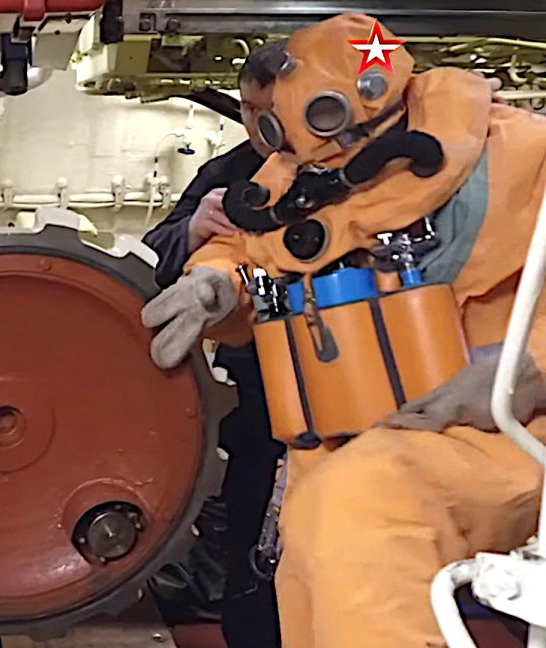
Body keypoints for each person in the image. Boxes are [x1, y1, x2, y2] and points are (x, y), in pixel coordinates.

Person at [142, 13, 546, 647]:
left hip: (499, 438)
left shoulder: (522, 157)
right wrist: (214, 283)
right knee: (310, 563)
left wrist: (528, 369)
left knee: (363, 507)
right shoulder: (299, 173)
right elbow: (253, 242)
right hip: (334, 442)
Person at [142, 40, 289, 648]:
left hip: (351, 385)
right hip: (256, 390)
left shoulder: (358, 171)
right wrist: (191, 232)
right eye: (248, 109)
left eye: (270, 111)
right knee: (250, 540)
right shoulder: (230, 176)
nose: (258, 125)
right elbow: (153, 255)